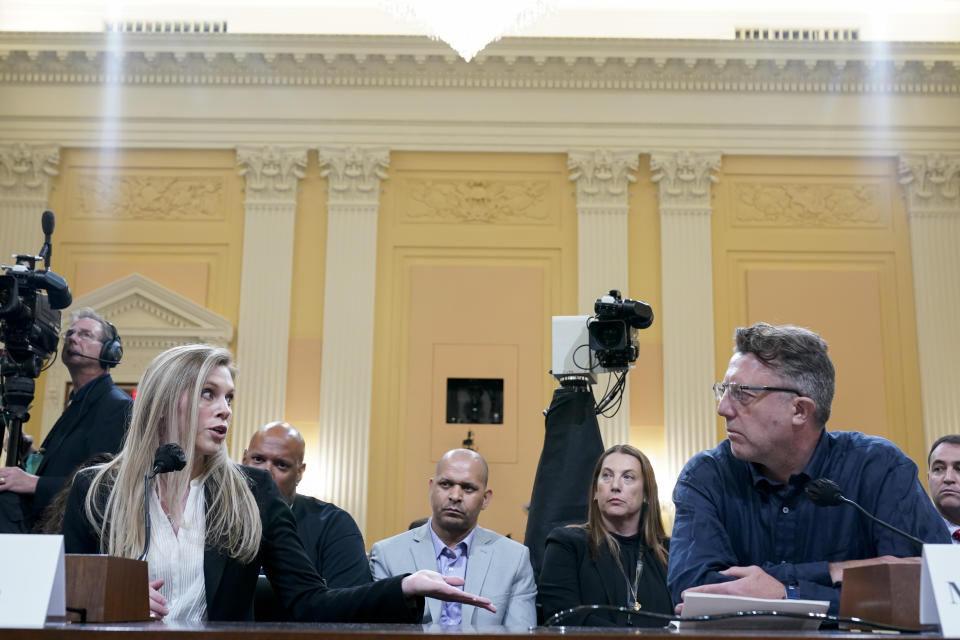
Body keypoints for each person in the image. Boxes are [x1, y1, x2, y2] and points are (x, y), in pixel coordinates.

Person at [62, 344, 495, 622]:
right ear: (162, 401)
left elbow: (310, 601)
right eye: (208, 394)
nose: (225, 409)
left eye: (229, 397)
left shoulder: (252, 492)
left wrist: (403, 585)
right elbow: (63, 597)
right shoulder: (96, 490)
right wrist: (112, 597)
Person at [668, 322, 952, 614]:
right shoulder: (707, 475)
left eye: (742, 393)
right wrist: (836, 572)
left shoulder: (879, 468)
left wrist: (789, 593)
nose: (723, 408)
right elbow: (692, 589)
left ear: (800, 411)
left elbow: (935, 585)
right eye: (724, 390)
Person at [369, 448, 537, 627]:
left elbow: (522, 634)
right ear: (431, 488)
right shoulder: (387, 554)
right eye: (446, 484)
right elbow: (383, 632)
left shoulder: (514, 558)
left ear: (485, 499)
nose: (455, 496)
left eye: (468, 488)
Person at [0, 307, 131, 529]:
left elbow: (106, 485)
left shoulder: (118, 406)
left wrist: (35, 484)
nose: (72, 338)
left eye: (85, 334)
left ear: (110, 352)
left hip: (72, 535)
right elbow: (70, 467)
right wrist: (30, 454)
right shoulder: (77, 403)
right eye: (70, 333)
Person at [538, 444, 673, 627]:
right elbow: (563, 617)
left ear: (646, 494)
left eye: (628, 477)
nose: (615, 486)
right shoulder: (566, 544)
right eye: (607, 476)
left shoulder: (671, 552)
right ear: (595, 490)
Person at [243, 421, 372, 588]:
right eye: (258, 459)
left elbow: (350, 607)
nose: (266, 474)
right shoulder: (214, 517)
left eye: (281, 465)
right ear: (244, 460)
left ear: (299, 473)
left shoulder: (334, 526)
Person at [927, 434, 960, 542]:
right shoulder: (908, 533)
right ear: (928, 478)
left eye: (959, 469)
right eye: (938, 469)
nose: (948, 478)